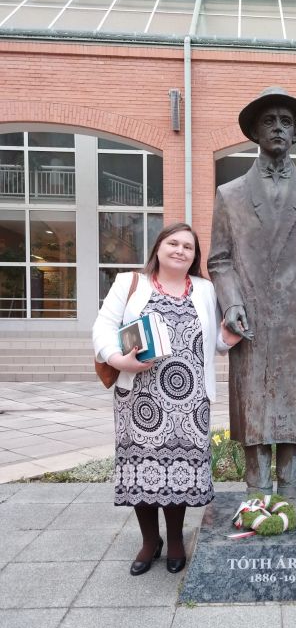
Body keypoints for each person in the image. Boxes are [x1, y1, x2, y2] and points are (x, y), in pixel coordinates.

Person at [208, 87, 296, 517]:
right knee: (254, 407)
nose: (278, 127)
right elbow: (219, 259)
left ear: (295, 133)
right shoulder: (230, 194)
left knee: (295, 405)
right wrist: (231, 304)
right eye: (269, 121)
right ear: (254, 132)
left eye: (286, 121)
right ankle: (257, 492)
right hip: (251, 318)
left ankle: (292, 492)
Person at [93, 223, 240, 576]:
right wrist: (118, 360)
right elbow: (103, 327)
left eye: (188, 247)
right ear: (158, 248)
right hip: (140, 397)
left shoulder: (205, 289)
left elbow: (214, 343)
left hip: (190, 401)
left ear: (195, 256)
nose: (180, 250)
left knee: (180, 472)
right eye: (173, 243)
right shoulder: (130, 283)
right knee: (142, 469)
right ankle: (149, 541)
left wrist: (229, 336)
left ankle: (174, 540)